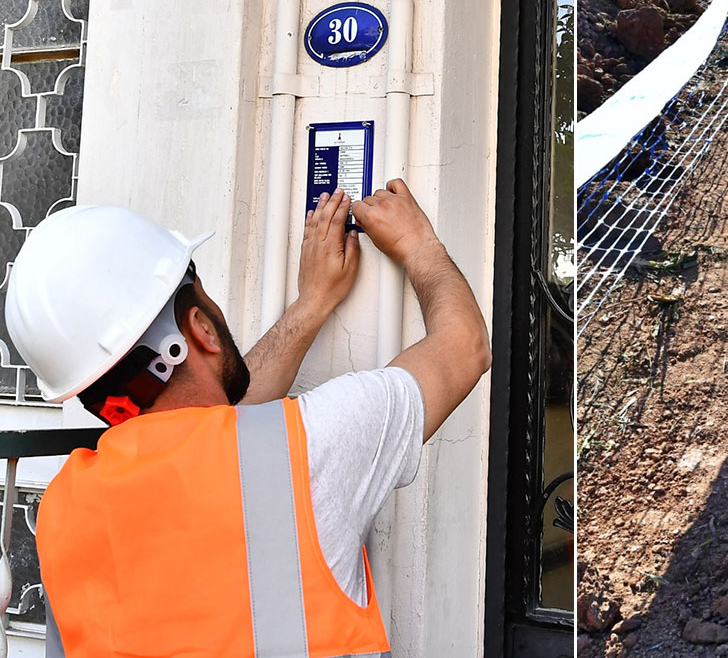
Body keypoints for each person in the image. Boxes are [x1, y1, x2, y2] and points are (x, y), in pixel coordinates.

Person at [6, 180, 491, 657]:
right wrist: (416, 243)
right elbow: (464, 346)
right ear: (200, 326)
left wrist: (312, 305)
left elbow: (212, 424)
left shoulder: (63, 509)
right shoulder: (312, 445)